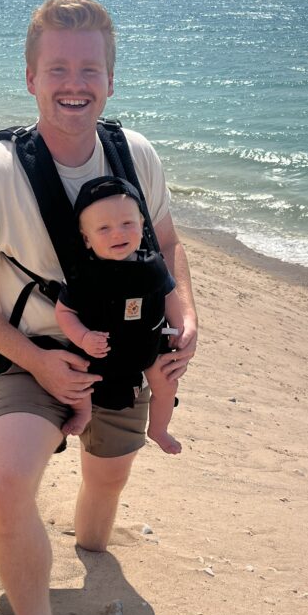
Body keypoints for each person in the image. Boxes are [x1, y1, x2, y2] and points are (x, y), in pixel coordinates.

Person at [0, 0, 197, 615]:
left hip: (127, 346)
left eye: (89, 70)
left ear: (110, 80)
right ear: (30, 78)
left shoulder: (135, 154)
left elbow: (167, 244)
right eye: (57, 69)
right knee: (4, 485)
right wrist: (37, 360)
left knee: (108, 475)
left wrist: (187, 317)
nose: (74, 85)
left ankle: (92, 548)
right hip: (36, 350)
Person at [54, 176, 183, 454]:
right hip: (98, 352)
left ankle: (158, 428)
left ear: (142, 226)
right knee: (79, 380)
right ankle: (83, 414)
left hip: (146, 348)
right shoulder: (84, 276)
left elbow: (169, 294)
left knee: (167, 383)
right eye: (104, 228)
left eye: (128, 224)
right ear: (86, 239)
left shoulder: (152, 266)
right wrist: (84, 337)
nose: (118, 233)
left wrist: (180, 327)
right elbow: (64, 312)